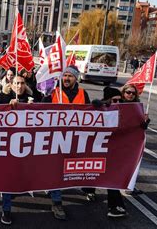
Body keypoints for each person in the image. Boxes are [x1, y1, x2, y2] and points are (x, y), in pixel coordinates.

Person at [42, 66, 91, 220]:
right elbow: (40, 111)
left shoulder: (83, 93)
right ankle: (57, 203)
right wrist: (44, 98)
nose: (67, 78)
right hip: (55, 138)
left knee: (68, 170)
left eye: (70, 76)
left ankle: (87, 187)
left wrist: (98, 106)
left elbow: (92, 115)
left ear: (76, 78)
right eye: (65, 75)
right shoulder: (53, 92)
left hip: (76, 139)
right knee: (57, 170)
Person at [0, 74, 38, 225]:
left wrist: (34, 109)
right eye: (16, 83)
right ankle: (6, 211)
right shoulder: (3, 97)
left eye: (22, 83)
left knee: (22, 175)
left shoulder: (32, 98)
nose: (19, 86)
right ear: (11, 84)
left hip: (26, 146)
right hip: (7, 146)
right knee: (8, 178)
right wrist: (6, 103)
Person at [90, 87, 128, 218]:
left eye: (119, 100)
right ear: (107, 100)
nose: (118, 103)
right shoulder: (99, 109)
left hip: (115, 152)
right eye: (114, 100)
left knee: (112, 178)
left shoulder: (123, 110)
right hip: (98, 149)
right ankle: (89, 190)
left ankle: (115, 207)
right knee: (94, 174)